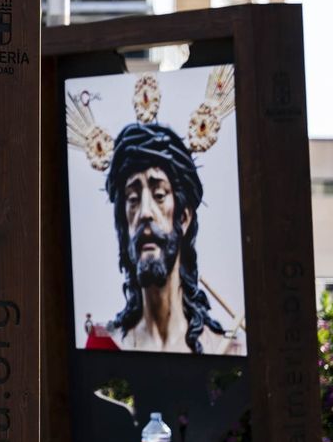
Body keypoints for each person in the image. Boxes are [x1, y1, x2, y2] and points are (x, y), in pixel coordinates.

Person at [103, 122, 241, 355]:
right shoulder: (108, 349)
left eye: (159, 195)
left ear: (184, 218)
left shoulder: (224, 351)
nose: (145, 212)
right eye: (133, 198)